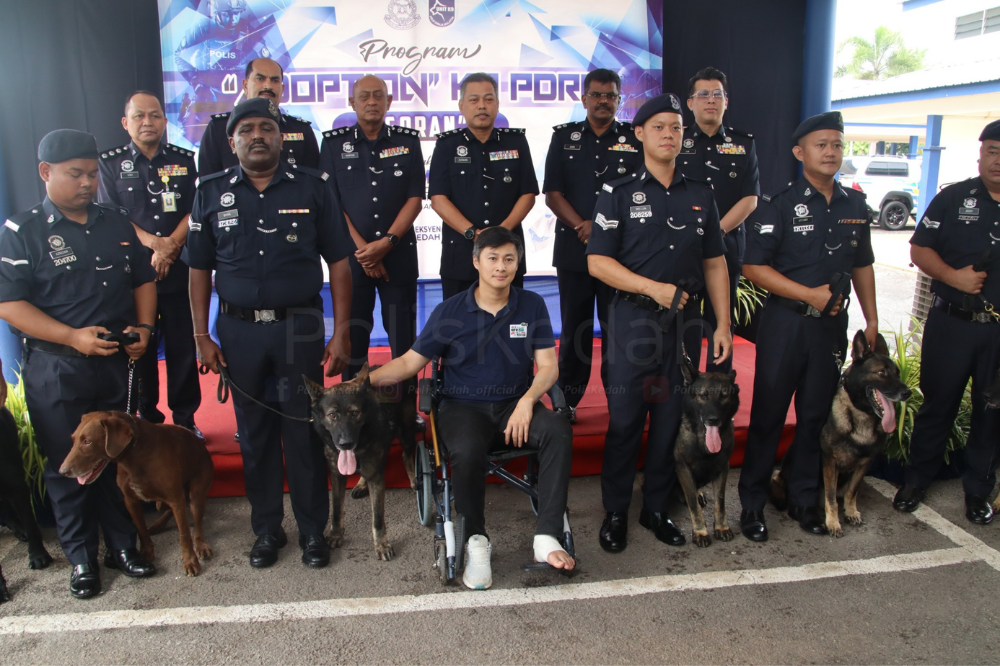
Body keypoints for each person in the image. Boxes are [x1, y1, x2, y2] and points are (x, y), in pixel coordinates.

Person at [184, 97, 352, 569]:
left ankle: (313, 530)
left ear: (281, 137)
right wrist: (201, 336)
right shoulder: (210, 192)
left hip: (298, 329)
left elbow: (339, 264)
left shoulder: (313, 186)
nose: (256, 136)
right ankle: (266, 530)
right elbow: (198, 270)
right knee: (254, 434)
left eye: (265, 128)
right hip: (239, 333)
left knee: (303, 429)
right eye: (246, 130)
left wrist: (341, 332)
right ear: (231, 141)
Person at [369, 226, 574, 589]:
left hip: (514, 405)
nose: (501, 266)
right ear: (476, 261)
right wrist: (359, 384)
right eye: (492, 258)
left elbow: (548, 367)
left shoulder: (532, 305)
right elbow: (409, 363)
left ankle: (546, 536)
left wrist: (527, 401)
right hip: (463, 407)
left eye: (509, 259)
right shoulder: (449, 311)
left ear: (518, 263)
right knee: (464, 448)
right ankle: (477, 541)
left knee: (558, 429)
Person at [0, 129, 159, 598]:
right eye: (76, 174)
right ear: (45, 172)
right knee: (66, 465)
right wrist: (71, 336)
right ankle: (82, 558)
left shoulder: (115, 221)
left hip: (112, 364)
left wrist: (144, 328)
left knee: (115, 457)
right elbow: (9, 305)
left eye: (92, 174)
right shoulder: (22, 232)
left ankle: (122, 546)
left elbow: (143, 279)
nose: (87, 183)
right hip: (57, 369)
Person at [587, 93, 732, 552]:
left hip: (685, 325)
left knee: (672, 420)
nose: (669, 135)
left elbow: (715, 263)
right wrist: (653, 289)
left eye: (676, 127)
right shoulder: (618, 192)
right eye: (659, 127)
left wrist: (724, 324)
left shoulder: (701, 194)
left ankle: (655, 508)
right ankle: (616, 510)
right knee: (626, 420)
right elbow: (597, 262)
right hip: (633, 323)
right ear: (640, 134)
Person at [737, 111, 878, 542]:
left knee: (816, 418)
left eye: (837, 144)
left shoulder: (856, 205)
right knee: (769, 415)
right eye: (822, 145)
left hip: (830, 330)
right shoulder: (779, 204)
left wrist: (872, 318)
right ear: (800, 153)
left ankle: (802, 498)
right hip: (786, 325)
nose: (831, 152)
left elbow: (862, 264)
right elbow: (753, 267)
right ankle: (753, 504)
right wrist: (808, 295)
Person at [893, 119, 1000, 524]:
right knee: (938, 404)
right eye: (992, 151)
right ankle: (917, 480)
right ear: (980, 155)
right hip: (952, 323)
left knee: (992, 411)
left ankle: (978, 491)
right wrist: (954, 278)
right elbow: (920, 249)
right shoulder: (953, 198)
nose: (998, 160)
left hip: (998, 331)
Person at [98, 91, 203, 438]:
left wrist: (170, 246)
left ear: (164, 121)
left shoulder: (183, 159)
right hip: (133, 273)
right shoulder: (110, 164)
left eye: (155, 115)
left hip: (177, 267)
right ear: (126, 123)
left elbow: (195, 210)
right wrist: (155, 245)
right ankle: (146, 416)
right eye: (139, 116)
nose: (148, 122)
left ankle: (185, 419)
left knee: (182, 347)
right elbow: (112, 216)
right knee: (138, 345)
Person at [542, 68, 643, 423]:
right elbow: (552, 193)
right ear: (584, 98)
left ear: (619, 100)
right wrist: (582, 226)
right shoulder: (563, 137)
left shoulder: (634, 138)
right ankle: (567, 401)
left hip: (620, 252)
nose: (603, 101)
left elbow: (640, 192)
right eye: (597, 95)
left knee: (619, 331)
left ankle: (620, 401)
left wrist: (602, 230)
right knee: (575, 330)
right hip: (574, 251)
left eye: (610, 95)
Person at [319, 75, 423, 381]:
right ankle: (354, 405)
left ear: (389, 101)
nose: (372, 102)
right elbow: (332, 204)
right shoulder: (333, 144)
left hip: (398, 256)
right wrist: (365, 252)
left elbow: (415, 199)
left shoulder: (407, 141)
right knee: (353, 340)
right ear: (352, 102)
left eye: (379, 96)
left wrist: (387, 243)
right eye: (364, 96)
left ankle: (405, 404)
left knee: (403, 341)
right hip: (353, 261)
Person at [677, 67, 760, 373]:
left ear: (727, 101)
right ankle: (683, 392)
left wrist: (714, 233)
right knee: (683, 330)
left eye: (717, 94)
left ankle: (718, 395)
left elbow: (750, 199)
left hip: (725, 250)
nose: (710, 100)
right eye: (703, 94)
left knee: (721, 327)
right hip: (682, 251)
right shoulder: (676, 140)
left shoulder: (743, 144)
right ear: (690, 103)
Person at [429, 72, 539, 299]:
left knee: (510, 316)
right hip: (460, 254)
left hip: (507, 253)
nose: (482, 106)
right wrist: (472, 233)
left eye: (488, 99)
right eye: (474, 100)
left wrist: (500, 233)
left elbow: (528, 194)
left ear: (497, 105)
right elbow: (438, 199)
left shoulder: (516, 142)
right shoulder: (446, 145)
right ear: (461, 106)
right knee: (458, 318)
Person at [198, 58, 319, 176]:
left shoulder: (301, 130)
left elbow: (313, 182)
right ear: (245, 85)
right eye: (260, 79)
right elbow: (209, 182)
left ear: (282, 89)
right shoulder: (218, 128)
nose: (268, 86)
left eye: (275, 80)